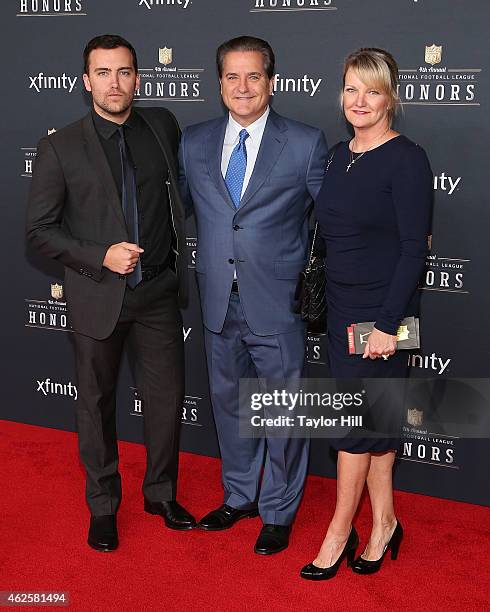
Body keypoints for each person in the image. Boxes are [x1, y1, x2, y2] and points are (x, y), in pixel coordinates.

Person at [26, 34, 196, 552]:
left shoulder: (161, 125)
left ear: (137, 78)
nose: (115, 83)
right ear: (86, 81)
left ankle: (160, 493)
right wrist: (99, 254)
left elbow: (179, 196)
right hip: (99, 294)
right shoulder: (61, 145)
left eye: (124, 72)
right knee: (95, 404)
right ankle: (103, 506)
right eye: (103, 73)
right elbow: (39, 231)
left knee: (166, 401)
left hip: (158, 293)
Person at [179, 36, 328, 554]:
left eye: (254, 76)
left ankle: (279, 510)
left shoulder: (307, 142)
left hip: (277, 303)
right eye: (232, 77)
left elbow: (329, 221)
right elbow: (177, 214)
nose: (243, 87)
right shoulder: (193, 142)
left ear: (272, 81)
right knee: (229, 406)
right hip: (219, 300)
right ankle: (239, 496)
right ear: (219, 83)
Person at [300, 48, 433, 579]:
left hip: (383, 315)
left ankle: (338, 532)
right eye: (351, 89)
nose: (360, 101)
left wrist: (386, 325)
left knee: (354, 428)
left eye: (372, 91)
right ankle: (385, 524)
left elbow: (413, 249)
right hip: (341, 310)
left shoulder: (407, 158)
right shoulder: (336, 154)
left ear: (390, 98)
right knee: (373, 426)